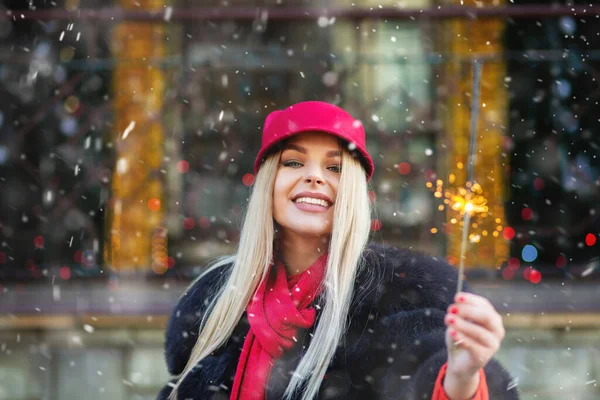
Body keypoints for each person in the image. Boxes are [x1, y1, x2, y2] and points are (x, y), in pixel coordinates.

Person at [158, 101, 520, 400]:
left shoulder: (405, 292)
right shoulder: (218, 296)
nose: (315, 177)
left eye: (334, 167)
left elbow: (429, 374)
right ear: (269, 182)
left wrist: (461, 379)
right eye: (294, 162)